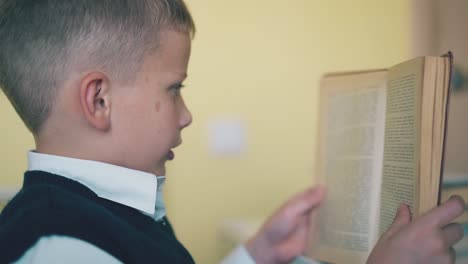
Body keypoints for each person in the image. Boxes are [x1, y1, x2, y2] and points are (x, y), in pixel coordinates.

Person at [0, 0, 464, 263]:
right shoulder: (60, 250)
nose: (186, 115)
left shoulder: (101, 213)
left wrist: (257, 252)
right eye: (175, 87)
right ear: (98, 100)